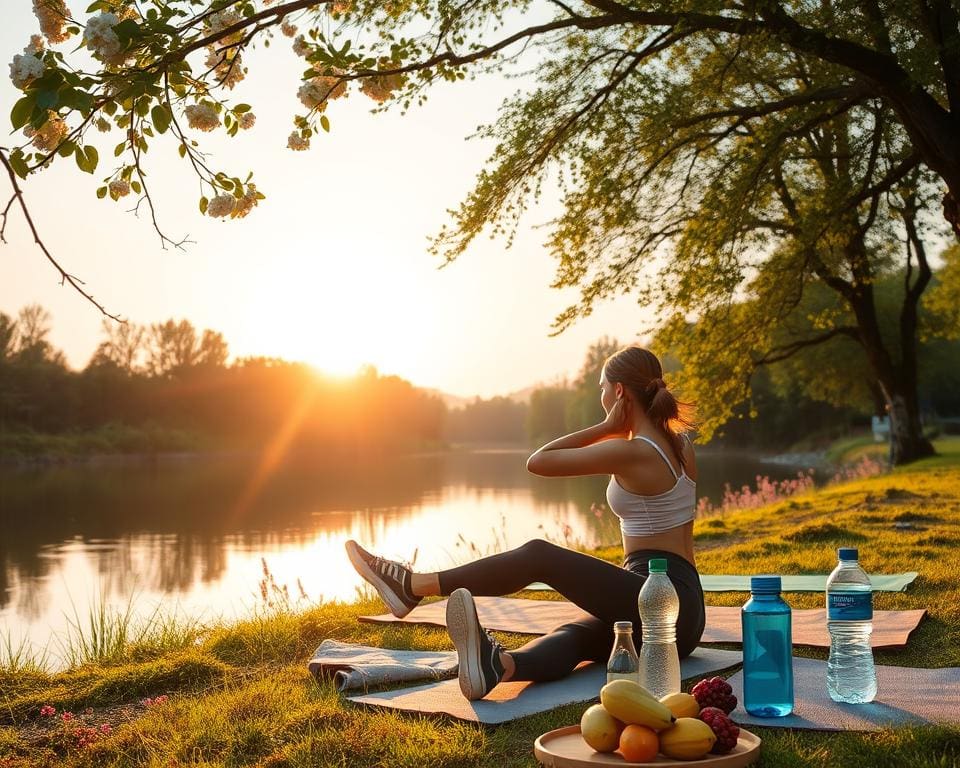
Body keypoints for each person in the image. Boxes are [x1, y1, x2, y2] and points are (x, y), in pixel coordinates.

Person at [345, 345, 705, 700]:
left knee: (539, 555)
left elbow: (539, 461)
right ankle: (498, 666)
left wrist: (604, 427)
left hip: (661, 598)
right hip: (679, 610)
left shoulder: (632, 451)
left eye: (601, 389)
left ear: (619, 391)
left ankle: (412, 586)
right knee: (575, 636)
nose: (601, 397)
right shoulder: (680, 445)